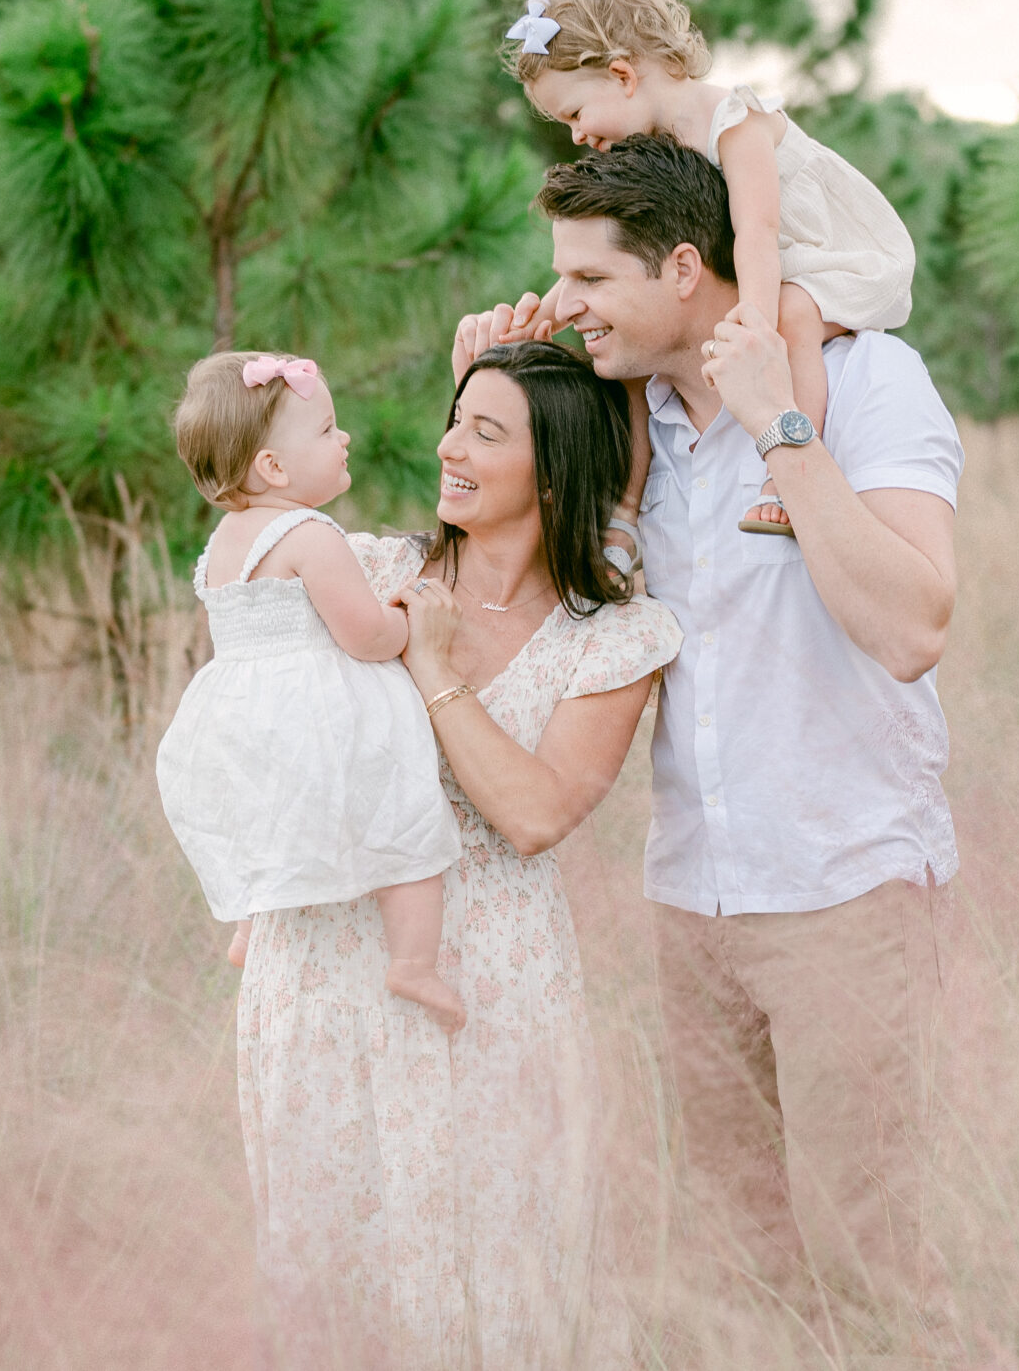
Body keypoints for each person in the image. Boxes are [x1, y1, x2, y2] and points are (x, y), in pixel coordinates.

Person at [456, 135, 963, 1351]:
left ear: (684, 268)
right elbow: (517, 626)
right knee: (733, 1266)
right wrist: (481, 396)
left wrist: (779, 424)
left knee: (870, 1258)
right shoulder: (622, 426)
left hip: (847, 890)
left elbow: (910, 626)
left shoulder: (867, 382)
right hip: (693, 904)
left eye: (589, 279)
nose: (564, 301)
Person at [233, 340, 682, 1367]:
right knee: (338, 1262)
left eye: (488, 431)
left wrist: (433, 669)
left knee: (509, 1259)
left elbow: (534, 810)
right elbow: (264, 718)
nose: (449, 448)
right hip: (328, 966)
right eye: (456, 418)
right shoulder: (372, 572)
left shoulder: (610, 637)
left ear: (557, 471)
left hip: (498, 983)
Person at [505, 0, 917, 537]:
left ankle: (788, 464)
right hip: (772, 257)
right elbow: (607, 254)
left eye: (574, 112)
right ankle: (624, 516)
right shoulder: (648, 140)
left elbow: (758, 231)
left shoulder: (732, 120)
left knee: (794, 317)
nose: (575, 134)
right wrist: (547, 311)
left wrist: (755, 321)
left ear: (622, 75)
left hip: (829, 253)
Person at [154, 351, 467, 1029]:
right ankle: (413, 961)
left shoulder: (223, 543)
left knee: (268, 815)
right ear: (274, 468)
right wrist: (405, 615)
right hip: (319, 714)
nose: (345, 437)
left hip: (244, 721)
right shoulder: (311, 535)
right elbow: (362, 635)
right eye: (327, 430)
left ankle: (252, 919)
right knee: (401, 814)